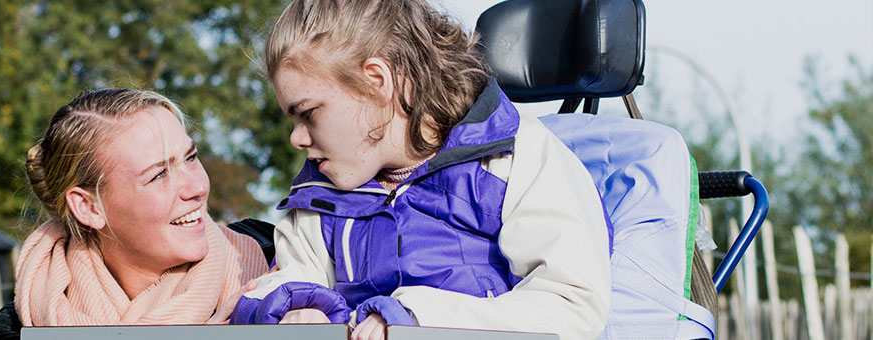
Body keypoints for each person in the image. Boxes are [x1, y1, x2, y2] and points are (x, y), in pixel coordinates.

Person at [229, 1, 613, 339]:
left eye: (308, 113)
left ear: (376, 82)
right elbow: (290, 279)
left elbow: (572, 307)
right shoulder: (318, 192)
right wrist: (294, 312)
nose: (297, 138)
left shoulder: (514, 156)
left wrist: (416, 320)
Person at [0, 88, 268, 334]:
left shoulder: (284, 259)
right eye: (159, 174)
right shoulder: (22, 326)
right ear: (89, 207)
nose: (197, 187)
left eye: (191, 157)